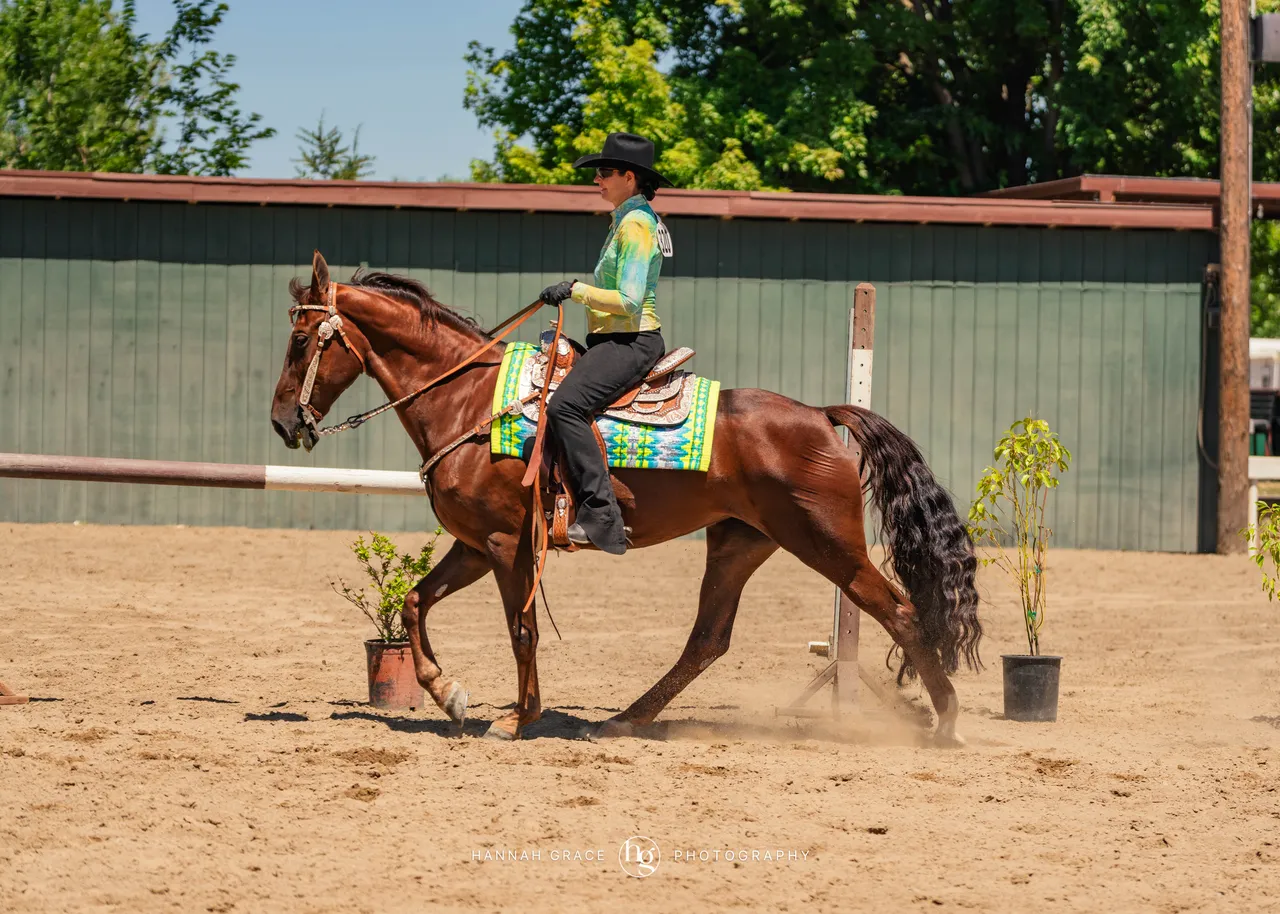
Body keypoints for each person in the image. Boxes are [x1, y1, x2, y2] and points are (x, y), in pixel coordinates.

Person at [539, 132, 672, 555]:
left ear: (629, 177)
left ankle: (600, 515)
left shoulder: (635, 224)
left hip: (630, 340)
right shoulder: (626, 219)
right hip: (614, 339)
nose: (596, 179)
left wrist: (575, 289)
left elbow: (630, 301)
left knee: (565, 406)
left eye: (604, 172)